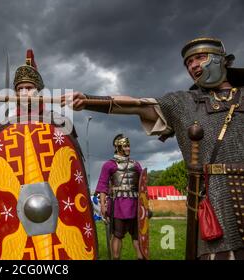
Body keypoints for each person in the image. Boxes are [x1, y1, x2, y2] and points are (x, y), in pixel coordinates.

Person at [64, 37, 244, 260]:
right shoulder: (184, 103)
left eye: (200, 57)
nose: (193, 66)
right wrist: (90, 100)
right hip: (216, 200)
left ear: (222, 60)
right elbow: (137, 105)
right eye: (188, 63)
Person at [96, 134, 143, 260]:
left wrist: (145, 206)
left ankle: (141, 258)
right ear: (118, 147)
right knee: (117, 235)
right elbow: (102, 186)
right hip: (118, 206)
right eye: (126, 146)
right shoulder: (109, 165)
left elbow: (143, 186)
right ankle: (116, 258)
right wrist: (102, 205)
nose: (128, 148)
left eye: (129, 146)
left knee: (138, 236)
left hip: (135, 205)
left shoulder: (136, 165)